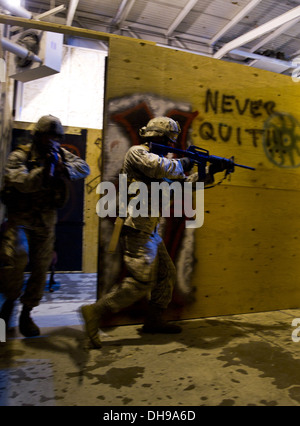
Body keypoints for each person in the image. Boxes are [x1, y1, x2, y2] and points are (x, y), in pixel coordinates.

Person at [80, 116, 225, 349]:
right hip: (137, 227)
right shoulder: (138, 153)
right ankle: (95, 312)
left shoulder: (160, 161)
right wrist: (188, 160)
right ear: (157, 136)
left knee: (166, 273)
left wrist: (210, 171)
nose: (172, 145)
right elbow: (162, 168)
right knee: (141, 281)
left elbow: (183, 182)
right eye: (169, 139)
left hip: (150, 229)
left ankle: (154, 320)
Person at [0, 115, 90, 337]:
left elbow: (83, 167)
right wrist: (44, 170)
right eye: (47, 136)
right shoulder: (19, 155)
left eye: (56, 137)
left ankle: (27, 312)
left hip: (46, 221)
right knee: (15, 259)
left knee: (41, 269)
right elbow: (22, 183)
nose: (52, 141)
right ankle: (10, 302)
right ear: (37, 136)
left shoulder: (60, 153)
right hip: (20, 219)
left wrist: (62, 168)